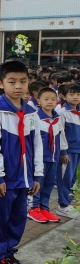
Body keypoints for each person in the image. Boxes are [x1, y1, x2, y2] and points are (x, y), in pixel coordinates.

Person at [0, 60, 42, 264]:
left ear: (29, 82)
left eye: (23, 81)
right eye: (12, 81)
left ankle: (9, 255)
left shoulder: (31, 112)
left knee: (17, 219)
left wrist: (37, 175)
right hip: (3, 180)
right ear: (0, 84)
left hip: (23, 178)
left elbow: (37, 145)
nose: (18, 86)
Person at [28, 87, 67, 223]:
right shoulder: (35, 117)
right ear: (38, 100)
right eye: (46, 99)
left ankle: (44, 208)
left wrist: (63, 152)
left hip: (53, 157)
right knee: (38, 183)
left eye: (53, 99)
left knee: (49, 184)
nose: (50, 102)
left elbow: (61, 136)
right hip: (40, 158)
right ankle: (34, 208)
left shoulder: (57, 118)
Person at [57, 83, 80, 218]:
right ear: (64, 97)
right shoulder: (62, 113)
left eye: (78, 94)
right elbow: (60, 134)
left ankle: (68, 202)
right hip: (69, 152)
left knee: (74, 179)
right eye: (71, 94)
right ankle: (62, 205)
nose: (75, 97)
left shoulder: (78, 113)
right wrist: (63, 152)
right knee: (65, 178)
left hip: (78, 151)